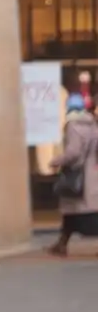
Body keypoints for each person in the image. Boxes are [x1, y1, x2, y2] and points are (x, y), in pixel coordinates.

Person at [47, 93, 98, 256]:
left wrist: (57, 161)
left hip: (77, 175)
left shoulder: (73, 126)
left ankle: (62, 243)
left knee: (77, 210)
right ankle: (61, 243)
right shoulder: (93, 125)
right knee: (71, 211)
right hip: (91, 173)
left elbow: (73, 152)